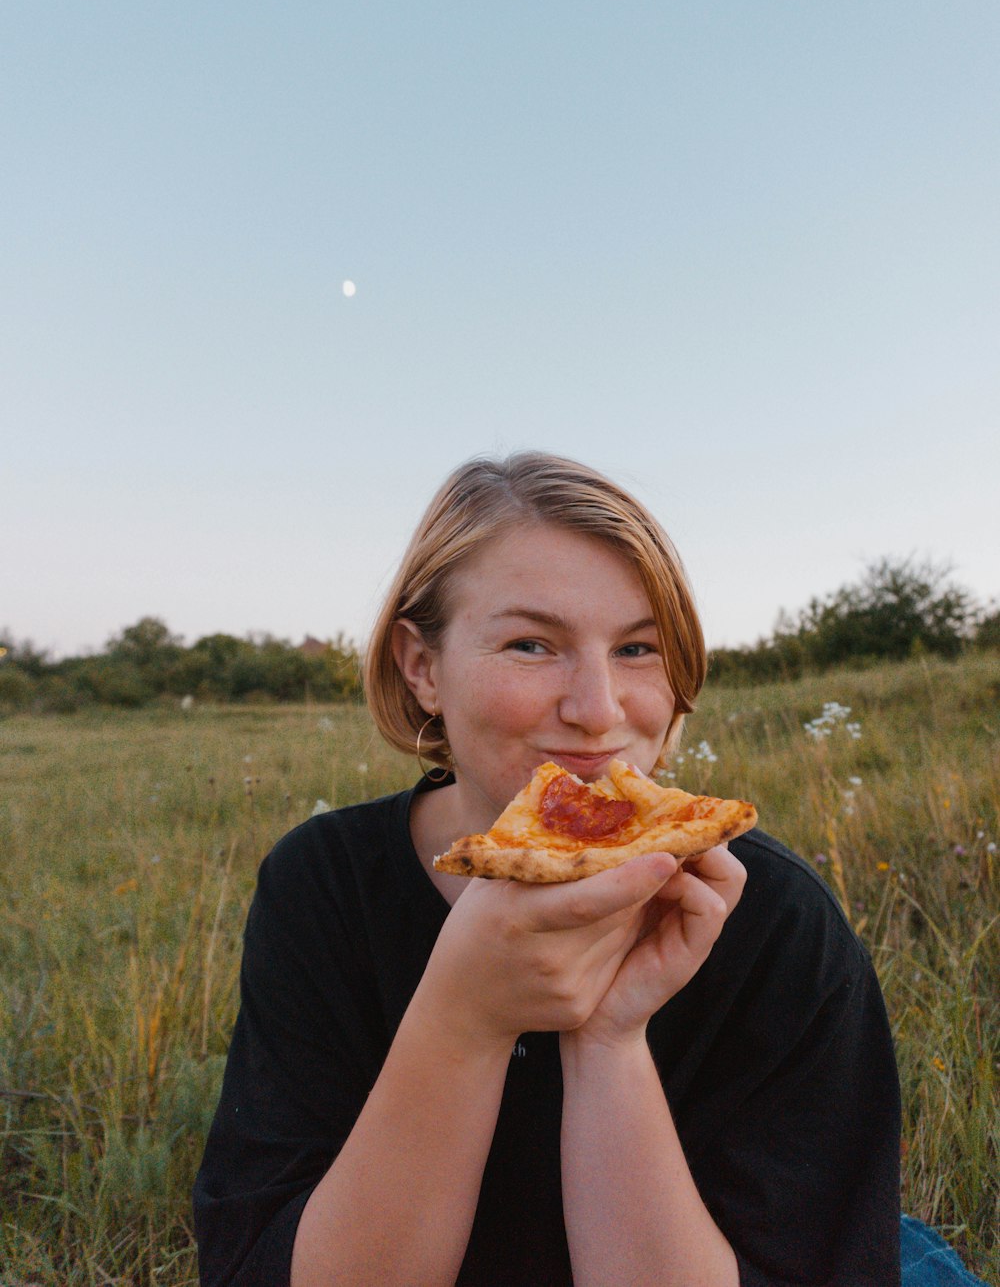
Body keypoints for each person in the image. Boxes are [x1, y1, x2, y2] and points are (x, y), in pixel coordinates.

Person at [193, 452, 902, 1286]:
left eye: (638, 648)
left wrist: (610, 1041)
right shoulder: (322, 885)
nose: (599, 710)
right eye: (531, 644)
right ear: (422, 668)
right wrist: (464, 1016)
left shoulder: (775, 918)